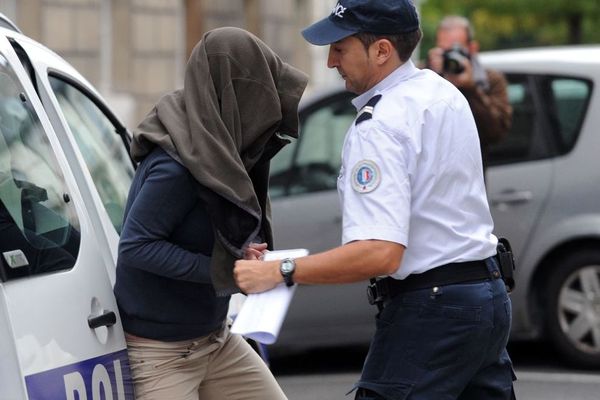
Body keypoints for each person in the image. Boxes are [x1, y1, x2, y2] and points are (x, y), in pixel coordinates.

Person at [234, 1, 516, 399]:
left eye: (340, 47)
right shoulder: (442, 92)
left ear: (382, 50)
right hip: (485, 295)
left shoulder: (380, 125)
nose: (331, 61)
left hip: (432, 310)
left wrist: (281, 270)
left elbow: (381, 253)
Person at [114, 27, 307, 400]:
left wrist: (241, 254)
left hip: (216, 341)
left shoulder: (216, 145)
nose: (268, 113)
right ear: (236, 95)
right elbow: (136, 246)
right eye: (261, 95)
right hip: (161, 355)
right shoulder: (178, 162)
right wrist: (226, 270)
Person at [427, 15, 512, 172]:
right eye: (444, 51)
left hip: (470, 177)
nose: (449, 58)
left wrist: (471, 89)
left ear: (472, 48)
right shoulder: (425, 77)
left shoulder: (490, 80)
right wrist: (432, 75)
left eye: (455, 50)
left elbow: (496, 133)